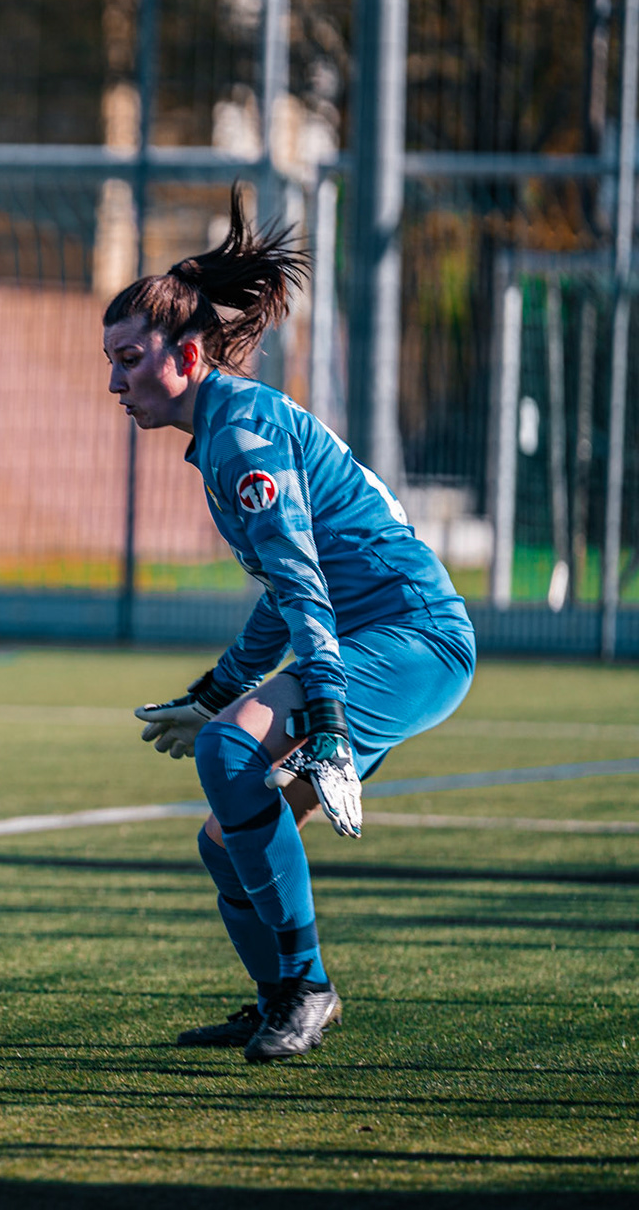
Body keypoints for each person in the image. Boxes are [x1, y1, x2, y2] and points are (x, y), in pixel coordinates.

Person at [106, 187, 474, 1062]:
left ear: (188, 355)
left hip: (413, 639)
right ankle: (280, 995)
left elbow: (305, 585)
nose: (114, 380)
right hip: (374, 640)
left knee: (229, 757)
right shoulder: (228, 425)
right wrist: (218, 690)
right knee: (224, 835)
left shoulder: (242, 441)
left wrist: (329, 721)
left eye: (129, 358)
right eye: (110, 359)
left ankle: (307, 989)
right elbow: (286, 592)